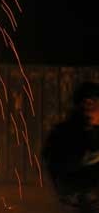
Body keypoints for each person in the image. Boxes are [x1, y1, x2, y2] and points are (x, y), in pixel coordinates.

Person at [42, 81, 99, 212]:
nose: (89, 107)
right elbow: (55, 166)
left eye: (93, 102)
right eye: (86, 103)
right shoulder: (63, 134)